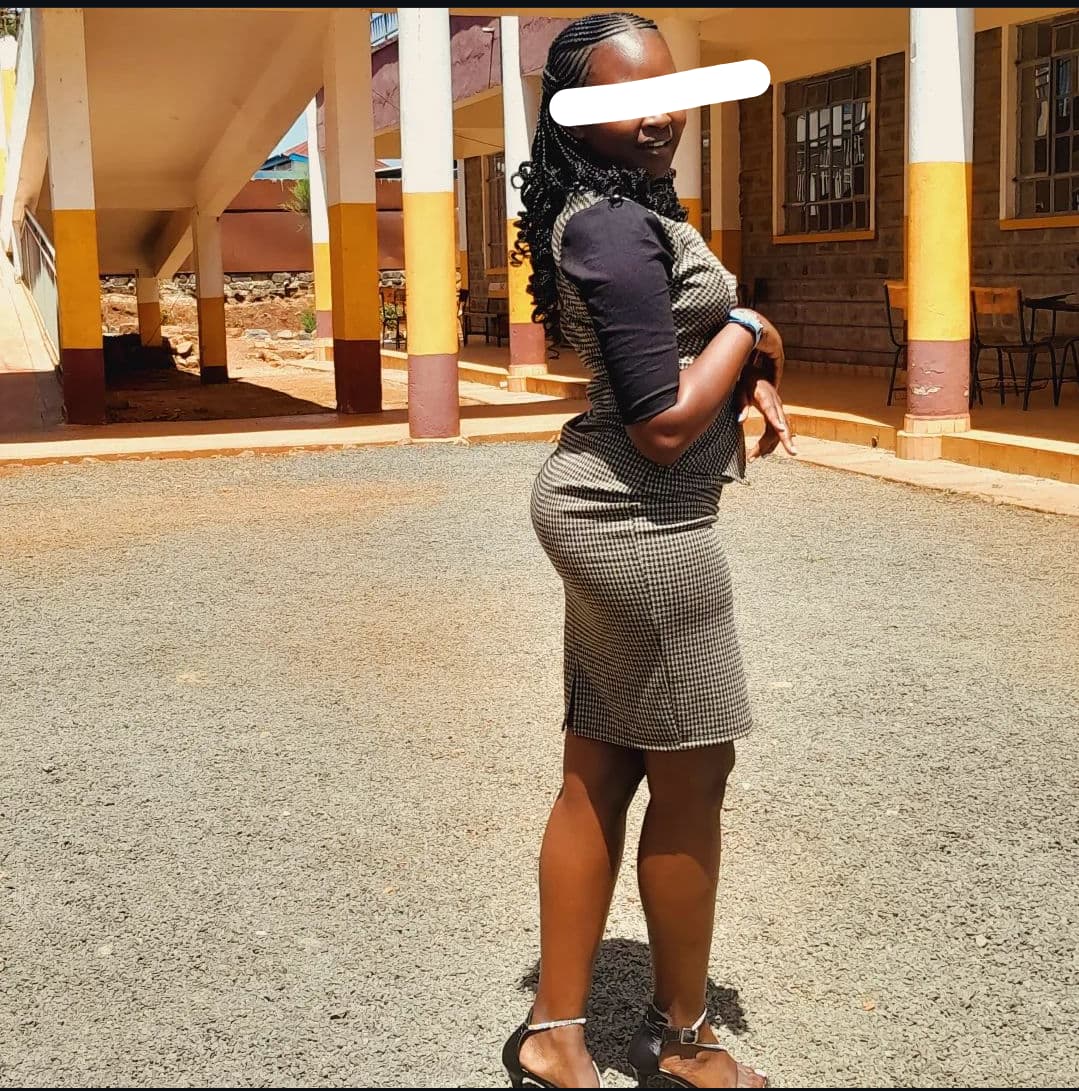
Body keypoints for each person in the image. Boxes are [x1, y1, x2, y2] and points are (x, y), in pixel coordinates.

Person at [500, 13, 795, 1091]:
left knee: (603, 764)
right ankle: (682, 1042)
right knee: (691, 772)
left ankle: (554, 1035)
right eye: (626, 99)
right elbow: (662, 422)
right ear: (575, 113)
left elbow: (665, 352)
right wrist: (748, 327)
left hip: (617, 508)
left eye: (666, 91)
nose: (658, 114)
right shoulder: (612, 226)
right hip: (642, 520)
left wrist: (746, 366)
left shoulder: (622, 206)